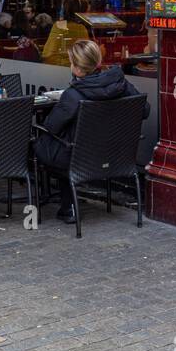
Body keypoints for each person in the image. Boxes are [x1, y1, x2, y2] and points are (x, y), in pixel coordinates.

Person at [33, 39, 147, 223]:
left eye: (71, 62)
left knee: (49, 145)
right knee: (68, 145)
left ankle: (68, 207)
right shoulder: (121, 84)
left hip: (82, 158)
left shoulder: (73, 95)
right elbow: (144, 109)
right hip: (117, 154)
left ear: (78, 69)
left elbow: (52, 126)